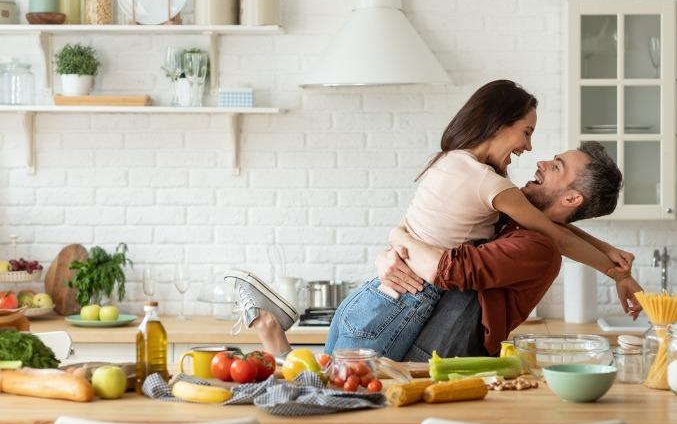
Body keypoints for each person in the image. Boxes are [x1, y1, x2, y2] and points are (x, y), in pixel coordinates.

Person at [226, 80, 638, 360]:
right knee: (328, 396)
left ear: (570, 196)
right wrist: (612, 265)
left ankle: (271, 332)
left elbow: (549, 234)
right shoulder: (493, 188)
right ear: (499, 124)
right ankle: (270, 329)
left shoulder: (463, 170)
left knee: (326, 392)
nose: (534, 151)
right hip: (399, 301)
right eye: (527, 133)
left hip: (380, 299)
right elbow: (550, 229)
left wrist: (613, 260)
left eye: (558, 165)